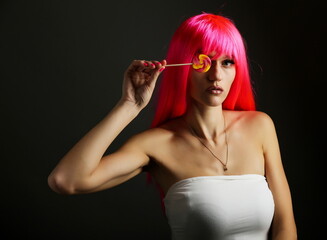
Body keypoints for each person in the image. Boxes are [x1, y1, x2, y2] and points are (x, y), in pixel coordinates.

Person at [48, 13, 297, 240]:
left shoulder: (260, 127)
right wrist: (129, 105)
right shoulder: (156, 145)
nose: (216, 75)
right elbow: (65, 180)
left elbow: (285, 226)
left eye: (228, 62)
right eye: (204, 62)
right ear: (184, 67)